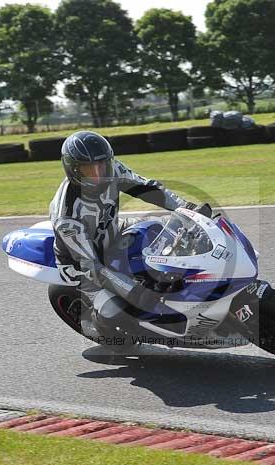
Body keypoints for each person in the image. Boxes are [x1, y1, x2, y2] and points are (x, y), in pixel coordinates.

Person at [49, 130, 203, 336]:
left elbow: (148, 189)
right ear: (73, 170)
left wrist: (187, 209)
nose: (98, 174)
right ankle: (107, 331)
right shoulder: (67, 216)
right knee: (117, 312)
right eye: (89, 170)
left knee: (161, 229)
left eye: (101, 165)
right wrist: (134, 292)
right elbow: (92, 267)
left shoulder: (113, 170)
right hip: (82, 265)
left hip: (112, 231)